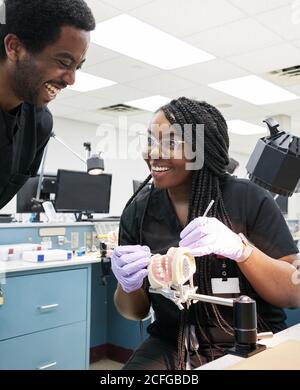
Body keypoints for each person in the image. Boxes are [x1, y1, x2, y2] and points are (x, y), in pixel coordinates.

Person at [111, 97, 300, 370]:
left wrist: (242, 251)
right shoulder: (138, 212)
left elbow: (293, 294)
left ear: (204, 149)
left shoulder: (249, 199)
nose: (153, 152)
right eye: (151, 139)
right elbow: (135, 311)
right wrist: (126, 284)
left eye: (171, 142)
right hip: (172, 341)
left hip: (252, 337)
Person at [0, 0, 95, 209]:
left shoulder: (40, 123)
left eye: (77, 66)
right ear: (15, 47)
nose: (71, 79)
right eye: (64, 61)